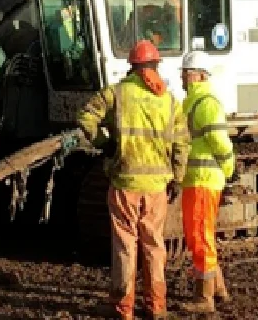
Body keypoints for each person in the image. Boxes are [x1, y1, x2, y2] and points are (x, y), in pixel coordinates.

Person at [76, 40, 190, 320]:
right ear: (155, 66)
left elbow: (85, 117)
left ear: (133, 66)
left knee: (125, 246)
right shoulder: (170, 100)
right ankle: (157, 307)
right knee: (154, 245)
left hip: (125, 183)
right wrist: (177, 177)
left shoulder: (117, 93)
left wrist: (106, 144)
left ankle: (123, 308)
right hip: (156, 188)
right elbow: (182, 143)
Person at [178, 50, 237, 314]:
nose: (183, 78)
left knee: (200, 237)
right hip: (198, 181)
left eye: (187, 73)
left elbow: (220, 143)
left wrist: (228, 168)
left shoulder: (205, 104)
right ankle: (219, 289)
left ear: (199, 75)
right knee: (203, 236)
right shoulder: (194, 102)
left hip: (203, 181)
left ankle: (204, 298)